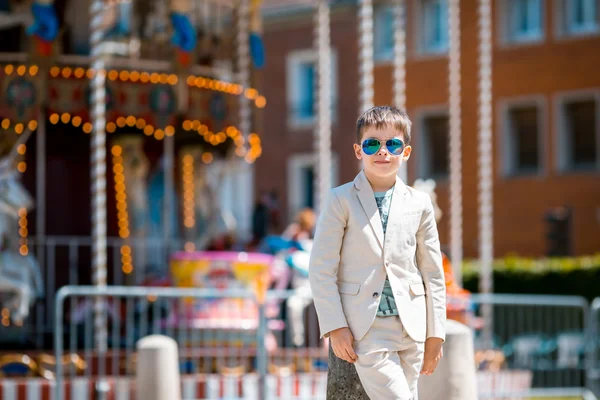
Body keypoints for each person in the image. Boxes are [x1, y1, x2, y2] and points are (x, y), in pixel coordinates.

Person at [308, 106, 446, 399]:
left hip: (413, 327)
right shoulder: (339, 200)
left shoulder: (420, 203)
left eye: (392, 144)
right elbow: (321, 269)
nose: (383, 151)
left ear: (405, 152)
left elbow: (433, 273)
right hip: (367, 329)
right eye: (373, 143)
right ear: (359, 150)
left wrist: (436, 334)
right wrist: (335, 326)